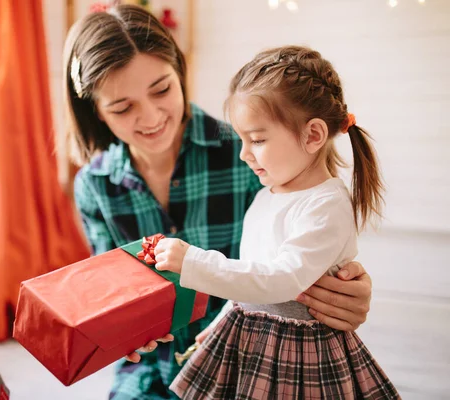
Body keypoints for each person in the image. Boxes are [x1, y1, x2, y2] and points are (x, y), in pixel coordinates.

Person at [62, 5, 374, 399]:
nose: (152, 116)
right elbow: (115, 294)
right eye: (123, 108)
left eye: (162, 89)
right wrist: (122, 327)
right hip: (154, 369)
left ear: (180, 72)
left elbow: (303, 247)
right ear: (96, 112)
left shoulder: (248, 154)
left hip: (248, 356)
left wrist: (348, 288)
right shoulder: (94, 185)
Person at [154, 45, 400, 399]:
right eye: (241, 140)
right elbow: (252, 271)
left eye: (257, 140)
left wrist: (195, 262)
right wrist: (224, 320)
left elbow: (281, 280)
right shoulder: (265, 197)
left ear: (313, 136)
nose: (243, 153)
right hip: (251, 342)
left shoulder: (326, 205)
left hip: (298, 353)